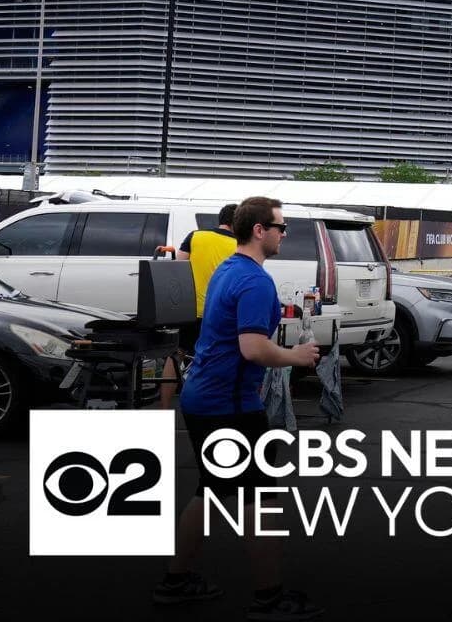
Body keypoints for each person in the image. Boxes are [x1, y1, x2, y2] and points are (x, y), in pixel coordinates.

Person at [153, 196, 324, 619]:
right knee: (261, 500)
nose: (285, 233)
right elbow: (251, 348)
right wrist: (297, 356)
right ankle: (269, 597)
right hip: (228, 405)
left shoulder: (230, 269)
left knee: (211, 494)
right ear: (259, 231)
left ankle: (177, 581)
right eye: (280, 227)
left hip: (205, 398)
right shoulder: (253, 280)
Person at [159, 203, 238, 409]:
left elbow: (178, 268)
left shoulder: (195, 236)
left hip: (190, 310)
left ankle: (164, 407)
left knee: (177, 354)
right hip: (219, 313)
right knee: (215, 358)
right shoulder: (239, 245)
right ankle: (209, 407)